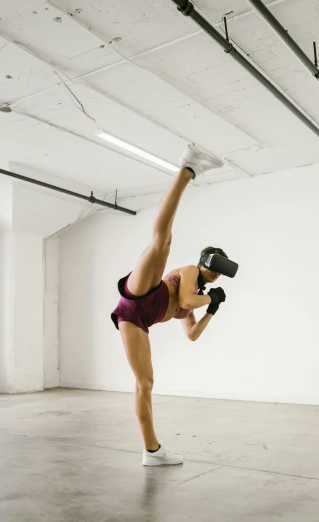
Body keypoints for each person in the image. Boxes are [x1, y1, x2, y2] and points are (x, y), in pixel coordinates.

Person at [110, 144, 231, 466]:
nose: (214, 274)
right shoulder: (190, 273)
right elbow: (187, 298)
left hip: (137, 320)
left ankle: (152, 452)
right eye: (213, 266)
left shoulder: (198, 296)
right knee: (162, 241)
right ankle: (187, 168)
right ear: (204, 263)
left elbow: (191, 334)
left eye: (219, 272)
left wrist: (213, 310)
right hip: (141, 294)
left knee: (145, 383)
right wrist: (207, 299)